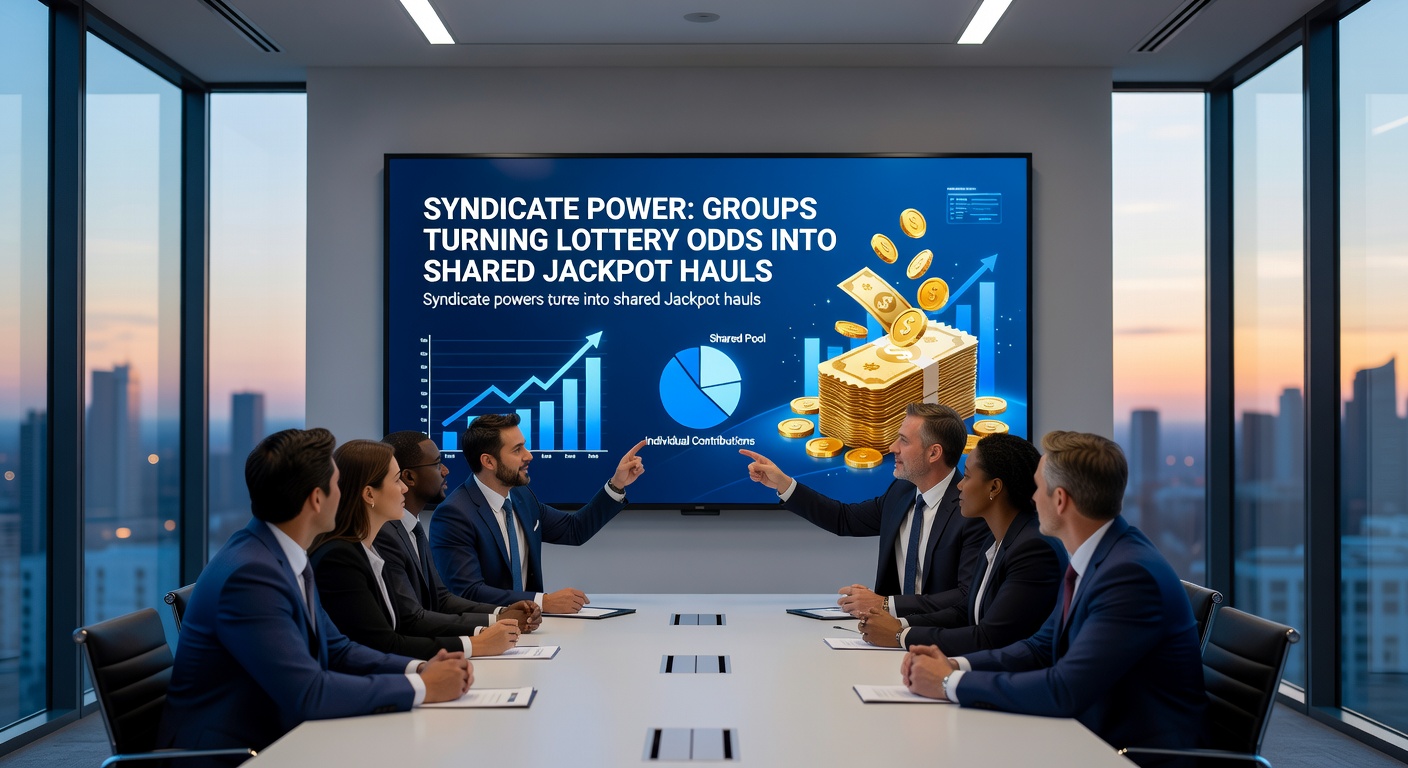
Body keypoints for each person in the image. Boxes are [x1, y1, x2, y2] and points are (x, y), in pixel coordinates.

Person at [157, 428, 472, 762]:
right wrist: (422, 689)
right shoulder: (251, 576)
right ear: (317, 499)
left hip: (278, 733)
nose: (345, 492)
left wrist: (420, 669)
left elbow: (337, 648)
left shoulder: (282, 554)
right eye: (338, 484)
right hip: (235, 752)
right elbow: (309, 692)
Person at [900, 430, 1206, 759]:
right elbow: (1040, 648)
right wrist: (955, 664)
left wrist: (949, 684)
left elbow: (1065, 689)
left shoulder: (1129, 576)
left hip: (1131, 754)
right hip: (1092, 737)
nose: (1032, 499)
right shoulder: (1101, 557)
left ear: (1060, 500)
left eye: (1038, 489)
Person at [740, 402, 988, 621]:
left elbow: (967, 596)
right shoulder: (901, 492)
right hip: (889, 634)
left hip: (942, 643)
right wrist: (783, 484)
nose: (892, 448)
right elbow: (844, 519)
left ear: (934, 453)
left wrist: (885, 604)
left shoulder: (971, 510)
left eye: (903, 440)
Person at [310, 439, 523, 657]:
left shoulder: (368, 547)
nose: (404, 488)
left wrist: (491, 626)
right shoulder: (341, 557)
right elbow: (385, 642)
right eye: (396, 480)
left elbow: (405, 625)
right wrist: (476, 643)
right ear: (369, 494)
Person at [858, 433, 1066, 654]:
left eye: (966, 476)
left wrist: (900, 636)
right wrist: (899, 624)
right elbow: (963, 611)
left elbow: (989, 638)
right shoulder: (994, 539)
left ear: (994, 488)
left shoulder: (1033, 549)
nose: (959, 486)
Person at [429, 413, 647, 612]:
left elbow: (575, 530)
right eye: (517, 450)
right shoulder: (454, 515)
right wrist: (544, 601)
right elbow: (467, 592)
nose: (529, 455)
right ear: (488, 461)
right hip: (485, 634)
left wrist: (617, 484)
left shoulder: (522, 497)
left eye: (524, 446)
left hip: (529, 631)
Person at [377, 431, 542, 636]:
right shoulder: (386, 535)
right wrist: (481, 637)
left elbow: (441, 599)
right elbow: (412, 618)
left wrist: (502, 613)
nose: (445, 471)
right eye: (437, 464)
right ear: (409, 477)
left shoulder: (413, 529)